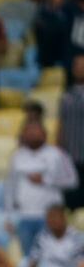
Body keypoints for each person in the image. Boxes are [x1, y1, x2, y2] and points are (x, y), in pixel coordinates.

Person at [6, 120, 79, 255]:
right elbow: (10, 188)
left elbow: (72, 181)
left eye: (36, 132)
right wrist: (9, 216)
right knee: (29, 258)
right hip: (25, 217)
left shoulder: (57, 154)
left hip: (50, 217)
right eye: (29, 132)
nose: (33, 135)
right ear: (24, 135)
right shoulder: (17, 156)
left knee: (52, 256)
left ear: (44, 134)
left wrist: (46, 180)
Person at [57, 55, 84, 210]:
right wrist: (60, 151)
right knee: (72, 200)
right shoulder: (66, 96)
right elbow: (62, 125)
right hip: (71, 157)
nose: (80, 69)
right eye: (77, 66)